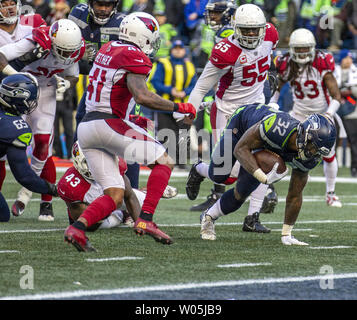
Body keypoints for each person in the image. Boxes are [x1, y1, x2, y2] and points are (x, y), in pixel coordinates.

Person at [63, 12, 196, 252]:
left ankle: (77, 229)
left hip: (87, 128)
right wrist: (178, 106)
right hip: (107, 124)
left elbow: (109, 91)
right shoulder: (134, 55)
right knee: (164, 160)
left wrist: (128, 117)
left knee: (114, 194)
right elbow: (142, 95)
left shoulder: (108, 48)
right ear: (142, 36)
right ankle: (146, 219)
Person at [185, 4, 279, 232]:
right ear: (235, 28)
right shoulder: (224, 50)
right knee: (228, 174)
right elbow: (200, 88)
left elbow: (268, 59)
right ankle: (199, 169)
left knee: (261, 163)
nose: (250, 35)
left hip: (256, 109)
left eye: (254, 30)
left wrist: (271, 77)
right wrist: (188, 112)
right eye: (245, 30)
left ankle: (252, 217)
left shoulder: (271, 34)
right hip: (228, 111)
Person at [188, 103, 336, 244]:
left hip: (264, 145)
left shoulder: (310, 158)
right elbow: (240, 149)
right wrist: (261, 176)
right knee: (219, 175)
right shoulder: (279, 126)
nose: (312, 152)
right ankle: (198, 168)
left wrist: (286, 234)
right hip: (241, 124)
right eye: (312, 146)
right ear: (305, 134)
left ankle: (209, 216)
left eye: (318, 150)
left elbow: (295, 194)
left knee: (241, 193)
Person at [0, 19, 84, 220]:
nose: (66, 56)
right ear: (52, 41)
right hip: (19, 89)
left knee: (44, 144)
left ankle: (28, 194)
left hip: (46, 91)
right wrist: (18, 75)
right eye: (62, 50)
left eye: (70, 51)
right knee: (4, 145)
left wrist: (67, 83)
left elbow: (74, 76)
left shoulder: (73, 49)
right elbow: (1, 56)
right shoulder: (35, 40)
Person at [274, 28, 344, 207]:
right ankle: (267, 189)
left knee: (329, 154)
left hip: (321, 114)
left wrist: (328, 115)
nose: (302, 52)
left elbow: (337, 96)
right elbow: (276, 88)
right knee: (280, 149)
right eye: (299, 48)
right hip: (298, 114)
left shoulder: (321, 62)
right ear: (291, 49)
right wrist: (272, 105)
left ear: (312, 48)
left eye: (306, 48)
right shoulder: (286, 63)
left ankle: (330, 193)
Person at [0, 0, 47, 193]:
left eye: (13, 3)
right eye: (4, 4)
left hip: (35, 89)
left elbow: (51, 37)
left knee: (43, 140)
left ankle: (46, 203)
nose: (10, 8)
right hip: (6, 93)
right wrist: (23, 63)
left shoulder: (32, 21)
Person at [0, 73, 58, 222]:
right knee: (3, 215)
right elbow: (24, 176)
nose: (32, 103)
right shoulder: (15, 127)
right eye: (30, 99)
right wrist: (54, 189)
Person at [57, 142, 144, 240]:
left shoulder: (114, 164)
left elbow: (129, 196)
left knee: (143, 201)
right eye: (91, 162)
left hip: (114, 196)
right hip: (94, 216)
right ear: (79, 161)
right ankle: (122, 214)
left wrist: (141, 224)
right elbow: (90, 225)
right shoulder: (71, 185)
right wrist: (107, 209)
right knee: (107, 223)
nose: (97, 166)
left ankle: (147, 192)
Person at [151, 39, 197, 167]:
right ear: (171, 50)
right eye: (175, 48)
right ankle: (164, 161)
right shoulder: (163, 63)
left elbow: (195, 84)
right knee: (164, 133)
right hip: (164, 106)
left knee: (183, 134)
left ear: (184, 50)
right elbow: (155, 82)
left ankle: (181, 162)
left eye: (180, 48)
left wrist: (185, 92)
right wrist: (170, 90)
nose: (178, 50)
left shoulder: (189, 65)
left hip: (182, 107)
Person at [334, 50, 357, 177]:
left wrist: (350, 90)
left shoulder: (355, 72)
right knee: (332, 140)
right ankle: (332, 167)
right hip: (335, 109)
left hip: (352, 110)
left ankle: (355, 167)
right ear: (342, 59)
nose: (349, 60)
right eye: (346, 58)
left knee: (354, 140)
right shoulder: (334, 72)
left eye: (350, 58)